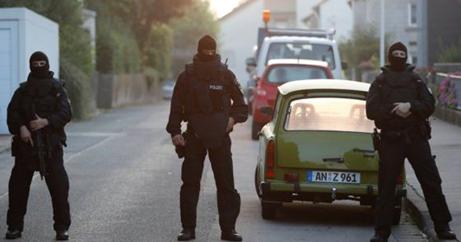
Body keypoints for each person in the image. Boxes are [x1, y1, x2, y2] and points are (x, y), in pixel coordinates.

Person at [366, 42, 457, 242]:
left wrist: (410, 106)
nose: (399, 56)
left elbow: (429, 105)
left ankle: (443, 227)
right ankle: (381, 233)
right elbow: (371, 111)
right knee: (387, 188)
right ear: (390, 57)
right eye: (396, 54)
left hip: (416, 138)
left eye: (402, 54)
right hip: (391, 140)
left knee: (431, 182)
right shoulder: (380, 82)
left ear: (406, 57)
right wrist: (394, 109)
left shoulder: (416, 81)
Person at [166, 35, 248, 241]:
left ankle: (228, 230)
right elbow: (176, 107)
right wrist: (175, 132)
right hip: (195, 136)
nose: (209, 54)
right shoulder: (187, 76)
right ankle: (188, 229)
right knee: (190, 183)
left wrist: (231, 121)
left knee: (225, 185)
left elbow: (241, 106)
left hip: (220, 136)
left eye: (211, 51)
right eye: (207, 51)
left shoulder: (225, 75)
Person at [5, 51, 72, 240]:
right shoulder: (23, 90)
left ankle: (61, 228)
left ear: (48, 64)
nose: (39, 66)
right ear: (30, 65)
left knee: (60, 189)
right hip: (26, 148)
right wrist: (21, 128)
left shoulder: (57, 88)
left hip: (51, 147)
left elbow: (66, 113)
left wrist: (46, 122)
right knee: (17, 189)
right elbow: (12, 114)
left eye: (43, 63)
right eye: (36, 63)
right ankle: (14, 227)